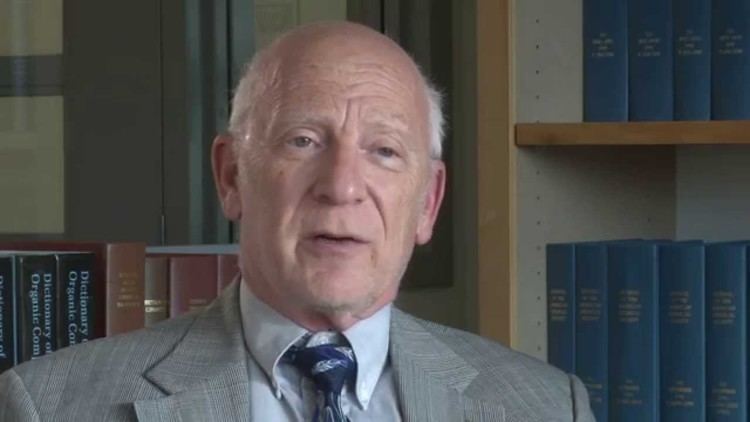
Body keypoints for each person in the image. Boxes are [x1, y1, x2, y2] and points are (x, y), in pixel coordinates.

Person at [0, 22, 593, 421]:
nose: (341, 187)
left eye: (384, 151)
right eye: (303, 140)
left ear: (427, 204)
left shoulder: (545, 407)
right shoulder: (52, 407)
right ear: (231, 176)